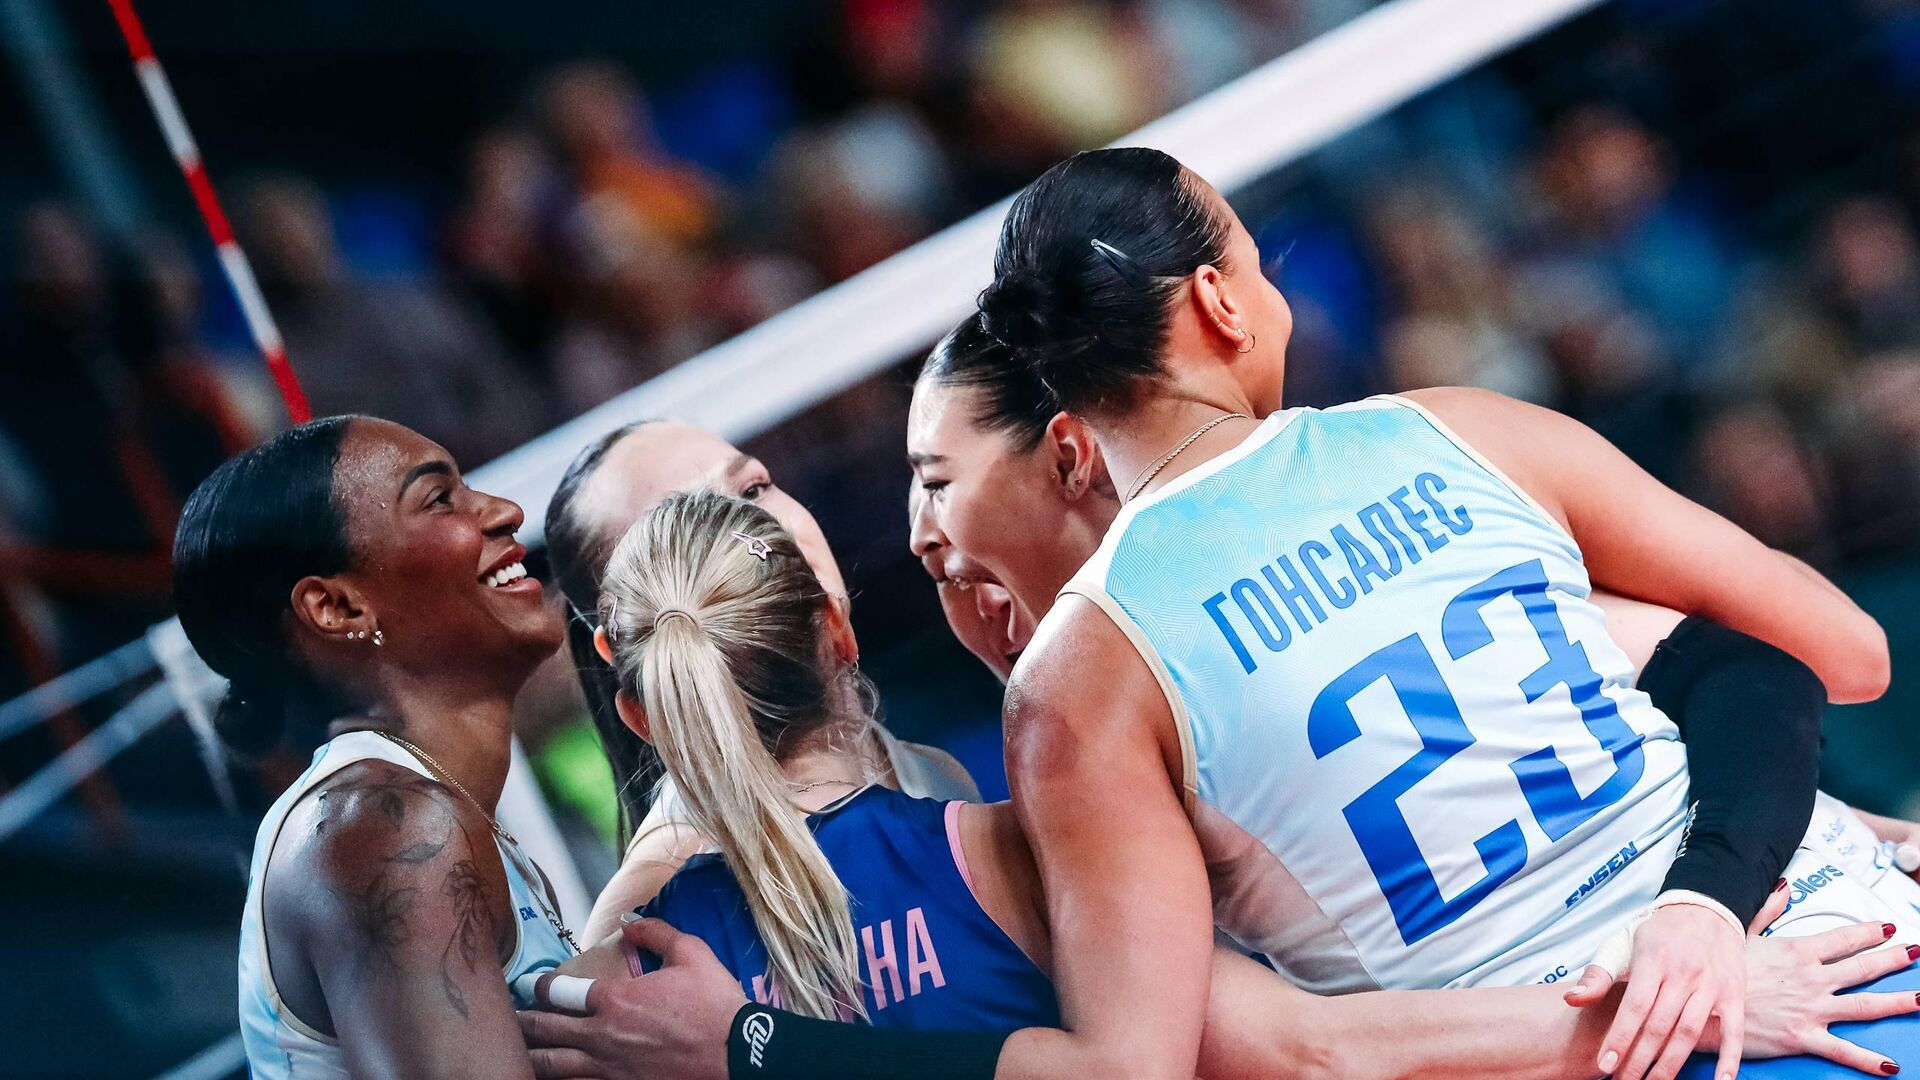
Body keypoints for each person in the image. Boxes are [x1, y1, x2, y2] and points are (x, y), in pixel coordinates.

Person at [959, 146, 1897, 1080]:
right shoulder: (1462, 430)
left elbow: (1178, 1059)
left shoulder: (1077, 678)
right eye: (1260, 267)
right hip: (1831, 933)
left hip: (1566, 1048)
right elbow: (1849, 653)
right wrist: (1577, 609)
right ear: (1218, 301)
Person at [525, 490, 1920, 1080]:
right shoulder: (1031, 847)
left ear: (635, 707)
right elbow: (1314, 1052)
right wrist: (1688, 1001)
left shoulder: (617, 985)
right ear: (840, 634)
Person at [174, 416, 576, 1077]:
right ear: (337, 608)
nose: (505, 511)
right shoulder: (386, 834)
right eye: (439, 498)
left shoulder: (419, 816)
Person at [542, 419, 978, 942]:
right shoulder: (643, 917)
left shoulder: (936, 776)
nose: (765, 534)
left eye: (753, 490)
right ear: (624, 645)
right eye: (691, 533)